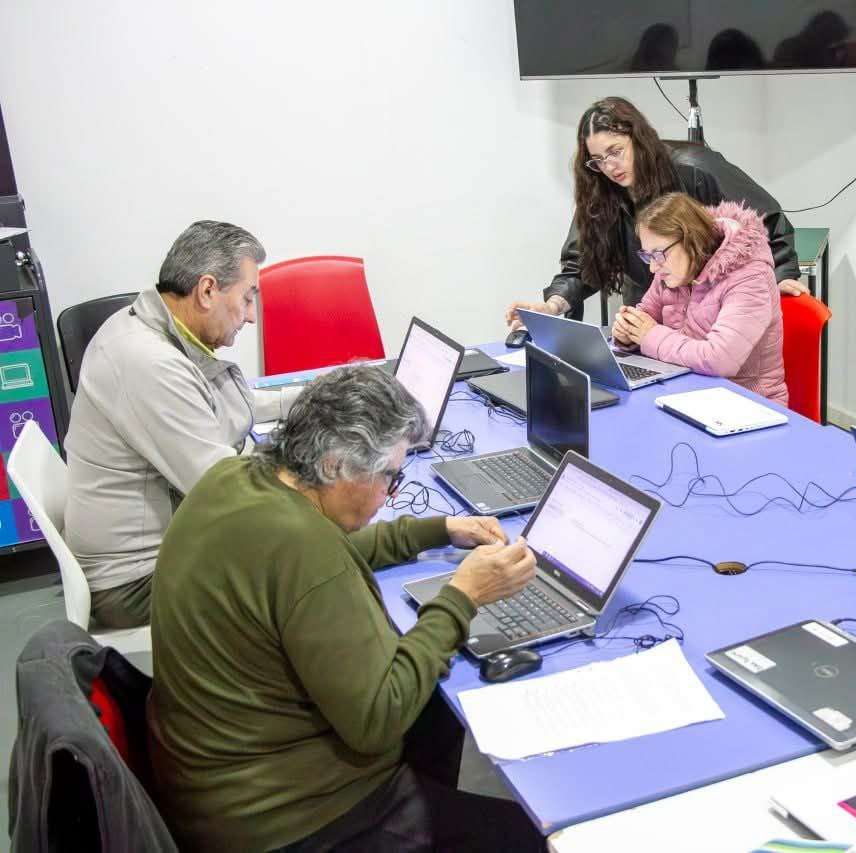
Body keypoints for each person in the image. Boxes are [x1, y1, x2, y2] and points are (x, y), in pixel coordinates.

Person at [147, 365, 543, 852]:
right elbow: (378, 720)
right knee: (528, 838)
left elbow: (327, 548)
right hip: (284, 822)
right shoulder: (306, 551)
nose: (389, 494)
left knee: (434, 712)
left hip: (208, 780)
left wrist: (438, 530)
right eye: (388, 477)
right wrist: (463, 596)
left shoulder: (236, 479)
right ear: (335, 465)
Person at [64, 220, 300, 629]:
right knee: (302, 562)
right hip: (135, 582)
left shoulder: (149, 326)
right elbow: (225, 490)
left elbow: (214, 404)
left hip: (153, 547)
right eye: (247, 298)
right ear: (207, 290)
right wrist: (317, 473)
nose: (250, 317)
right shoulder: (149, 362)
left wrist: (303, 400)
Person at [505, 96, 804, 330]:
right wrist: (553, 306)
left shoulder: (694, 167)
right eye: (598, 160)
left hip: (710, 312)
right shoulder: (600, 190)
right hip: (650, 311)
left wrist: (777, 277)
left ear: (638, 138)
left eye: (615, 151)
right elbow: (581, 264)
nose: (609, 167)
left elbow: (764, 219)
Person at [612, 192, 786, 405]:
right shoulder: (673, 270)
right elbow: (645, 318)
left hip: (747, 402)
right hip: (688, 391)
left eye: (658, 254)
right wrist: (628, 332)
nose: (653, 267)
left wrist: (649, 335)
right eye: (648, 256)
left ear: (691, 241)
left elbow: (719, 359)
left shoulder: (749, 277)